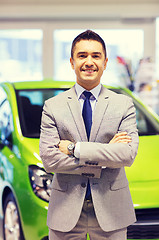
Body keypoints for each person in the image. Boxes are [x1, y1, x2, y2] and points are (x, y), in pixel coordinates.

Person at [39, 30, 139, 240]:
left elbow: (127, 155)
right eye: (82, 55)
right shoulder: (53, 106)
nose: (89, 62)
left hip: (112, 210)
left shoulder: (123, 104)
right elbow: (49, 160)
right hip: (64, 211)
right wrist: (104, 157)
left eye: (96, 56)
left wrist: (75, 149)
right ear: (72, 61)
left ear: (105, 62)